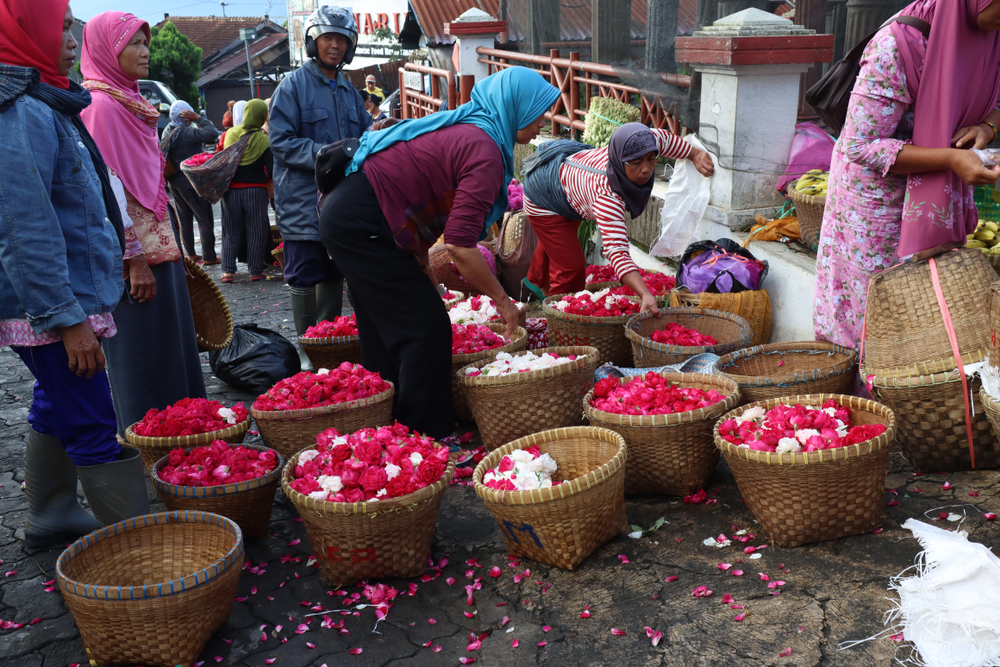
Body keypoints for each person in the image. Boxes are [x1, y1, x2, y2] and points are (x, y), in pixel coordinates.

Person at [319, 67, 561, 438]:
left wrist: (425, 271)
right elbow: (459, 246)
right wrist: (504, 301)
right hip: (362, 220)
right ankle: (426, 436)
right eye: (538, 111)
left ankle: (390, 427)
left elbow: (415, 199)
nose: (543, 121)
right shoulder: (484, 149)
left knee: (384, 327)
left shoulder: (473, 129)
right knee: (426, 328)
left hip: (351, 214)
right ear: (515, 106)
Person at [0, 0, 150, 547]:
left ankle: (52, 513)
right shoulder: (21, 112)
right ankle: (137, 557)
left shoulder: (46, 99)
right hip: (51, 304)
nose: (72, 38)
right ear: (25, 33)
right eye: (59, 26)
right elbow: (25, 228)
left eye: (71, 25)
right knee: (91, 420)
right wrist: (67, 320)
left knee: (55, 398)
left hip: (65, 295)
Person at [814, 0, 1000, 352]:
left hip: (940, 195)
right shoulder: (899, 44)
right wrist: (952, 158)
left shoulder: (990, 36)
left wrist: (987, 127)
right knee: (873, 323)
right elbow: (861, 145)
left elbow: (997, 97)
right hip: (877, 208)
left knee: (924, 323)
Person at [80, 11, 207, 437]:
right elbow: (105, 191)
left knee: (173, 348)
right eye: (133, 43)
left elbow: (152, 186)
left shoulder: (131, 103)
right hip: (132, 261)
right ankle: (150, 444)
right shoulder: (100, 107)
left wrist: (175, 248)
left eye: (145, 42)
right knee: (142, 359)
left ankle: (187, 438)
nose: (144, 51)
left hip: (161, 249)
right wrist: (133, 260)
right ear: (107, 51)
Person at [269, 5, 371, 371]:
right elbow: (280, 142)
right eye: (328, 38)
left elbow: (365, 135)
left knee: (333, 271)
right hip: (302, 201)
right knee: (304, 271)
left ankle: (328, 345)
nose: (335, 46)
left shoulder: (350, 91)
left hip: (341, 202)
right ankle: (306, 352)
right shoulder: (291, 87)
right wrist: (324, 153)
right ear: (313, 41)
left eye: (342, 40)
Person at [521, 124, 714, 310]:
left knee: (559, 243)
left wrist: (695, 154)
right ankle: (561, 314)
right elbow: (617, 250)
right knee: (571, 267)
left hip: (569, 185)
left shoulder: (643, 142)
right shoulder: (608, 195)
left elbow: (665, 140)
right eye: (636, 163)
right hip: (542, 195)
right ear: (620, 161)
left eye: (651, 159)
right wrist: (644, 293)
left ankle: (535, 281)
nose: (646, 169)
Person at [221, 99, 273, 283]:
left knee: (230, 231)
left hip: (231, 192)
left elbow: (227, 163)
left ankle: (227, 271)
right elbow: (272, 170)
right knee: (256, 231)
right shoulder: (264, 140)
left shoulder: (230, 134)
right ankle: (255, 270)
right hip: (256, 191)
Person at [161, 99, 220, 264]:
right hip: (190, 180)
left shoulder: (168, 130)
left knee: (185, 218)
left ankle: (191, 253)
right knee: (204, 217)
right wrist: (198, 118)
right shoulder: (186, 132)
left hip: (174, 180)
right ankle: (209, 256)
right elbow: (212, 133)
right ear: (186, 115)